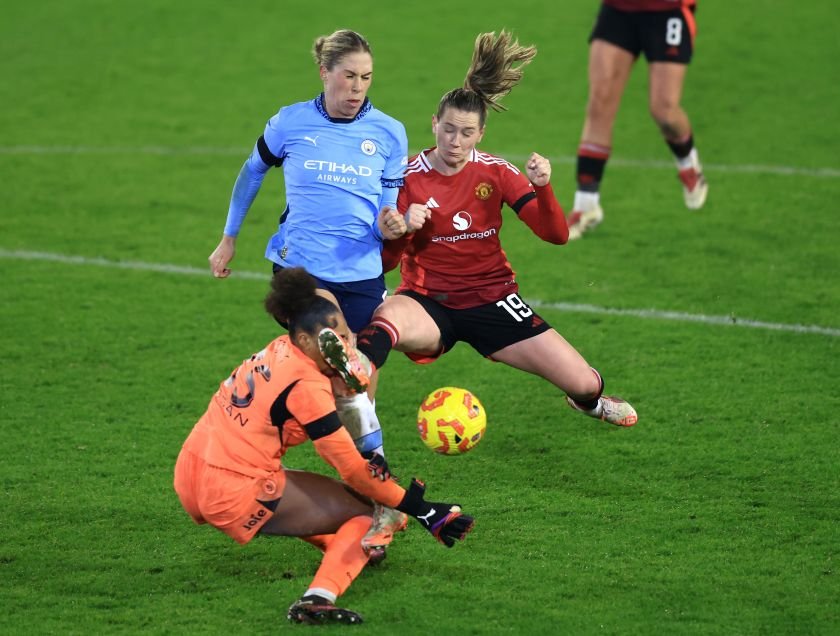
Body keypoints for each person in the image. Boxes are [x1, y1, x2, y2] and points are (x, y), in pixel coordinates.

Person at [322, 31, 638, 433]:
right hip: (428, 301)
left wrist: (543, 186)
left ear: (480, 134)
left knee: (585, 382)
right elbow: (383, 263)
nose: (455, 142)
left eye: (466, 133)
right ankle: (358, 370)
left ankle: (591, 403)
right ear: (434, 123)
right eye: (448, 129)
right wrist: (399, 232)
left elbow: (555, 235)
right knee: (385, 317)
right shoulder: (404, 177)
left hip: (494, 300)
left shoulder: (497, 172)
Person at [173, 267, 473, 625]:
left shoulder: (277, 350)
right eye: (337, 338)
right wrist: (424, 510)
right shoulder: (307, 387)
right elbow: (351, 469)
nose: (346, 346)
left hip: (192, 469)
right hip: (232, 489)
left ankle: (338, 547)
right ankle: (317, 599)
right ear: (304, 341)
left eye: (346, 336)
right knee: (366, 515)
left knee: (330, 504)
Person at [206, 29, 408, 542]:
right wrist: (228, 239)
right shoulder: (291, 122)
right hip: (300, 270)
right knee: (338, 367)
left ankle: (369, 478)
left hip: (363, 271)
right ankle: (373, 495)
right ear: (325, 72)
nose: (357, 86)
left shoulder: (389, 132)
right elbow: (252, 173)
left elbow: (391, 203)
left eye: (365, 77)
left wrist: (393, 223)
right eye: (348, 76)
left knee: (358, 387)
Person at [566, 0, 708, 240]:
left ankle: (688, 162)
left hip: (667, 11)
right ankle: (586, 204)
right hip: (618, 9)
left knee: (664, 111)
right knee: (600, 102)